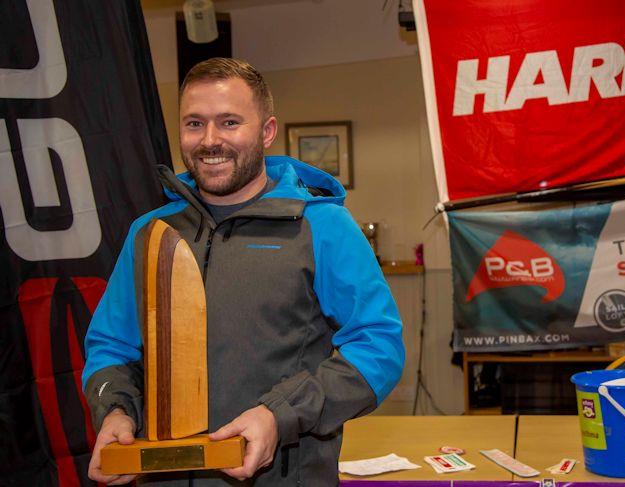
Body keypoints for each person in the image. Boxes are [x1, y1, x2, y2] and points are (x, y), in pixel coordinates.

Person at [81, 57, 405, 486]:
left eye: (230, 122)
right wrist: (116, 412)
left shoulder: (321, 227)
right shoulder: (151, 233)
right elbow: (111, 346)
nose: (210, 141)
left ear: (266, 131)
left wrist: (279, 415)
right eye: (194, 124)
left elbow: (378, 346)